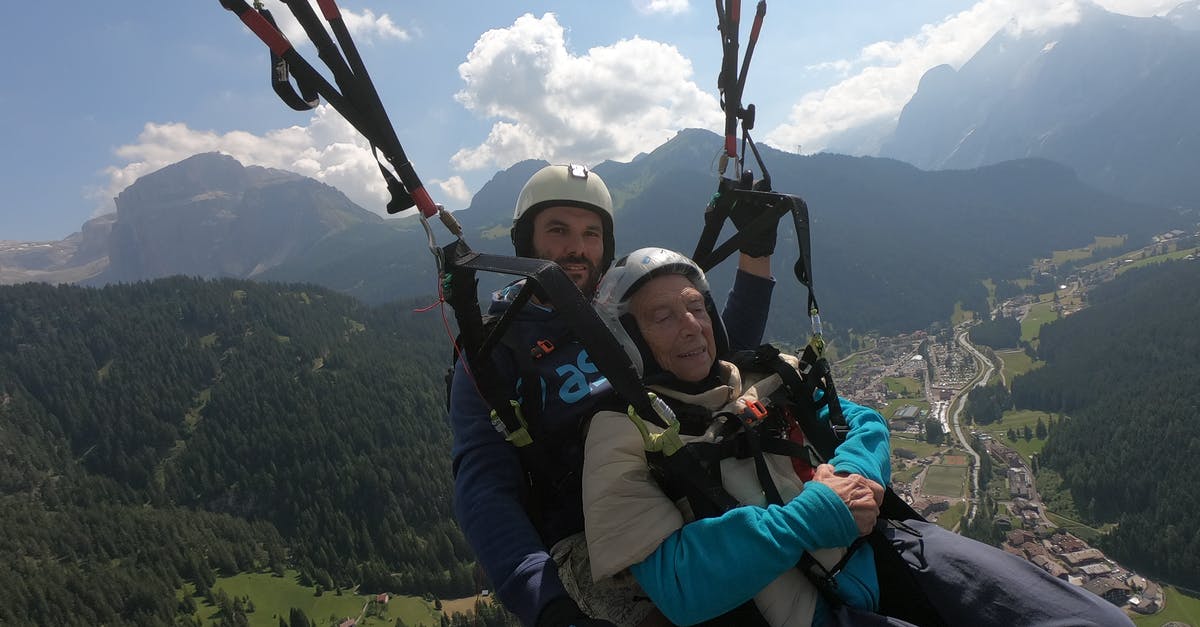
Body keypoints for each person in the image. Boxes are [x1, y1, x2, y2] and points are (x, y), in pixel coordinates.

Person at [580, 247, 1135, 627]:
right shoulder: (623, 434)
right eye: (662, 316)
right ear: (627, 338)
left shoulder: (765, 374)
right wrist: (814, 514)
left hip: (887, 548)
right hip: (815, 610)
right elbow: (679, 585)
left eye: (696, 307)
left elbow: (863, 422)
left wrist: (854, 477)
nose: (691, 326)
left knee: (1096, 618)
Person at [448, 165, 779, 627]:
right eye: (558, 231)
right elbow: (484, 486)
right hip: (590, 541)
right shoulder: (496, 350)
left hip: (688, 493)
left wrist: (756, 252)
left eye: (591, 234)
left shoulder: (624, 310)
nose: (577, 248)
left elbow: (712, 355)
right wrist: (544, 600)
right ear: (527, 241)